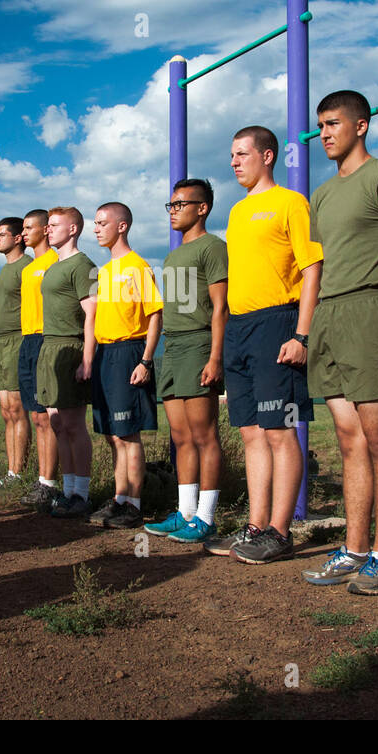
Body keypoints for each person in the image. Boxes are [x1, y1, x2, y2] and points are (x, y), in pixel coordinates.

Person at [301, 91, 378, 595]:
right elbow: (319, 267)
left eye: (333, 124)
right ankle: (353, 549)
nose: (325, 134)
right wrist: (308, 330)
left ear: (362, 125)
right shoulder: (323, 194)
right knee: (349, 440)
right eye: (320, 127)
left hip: (373, 311)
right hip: (331, 317)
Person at [204, 126, 322, 564]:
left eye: (242, 154)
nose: (234, 162)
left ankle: (280, 530)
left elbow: (313, 269)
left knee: (279, 430)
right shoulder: (236, 212)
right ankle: (256, 527)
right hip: (240, 327)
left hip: (279, 322)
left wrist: (301, 334)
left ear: (268, 156)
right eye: (231, 155)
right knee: (252, 432)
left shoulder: (292, 203)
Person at [144, 179, 228, 544]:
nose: (174, 210)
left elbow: (221, 308)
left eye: (181, 204)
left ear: (203, 208)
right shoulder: (172, 255)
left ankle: (206, 518)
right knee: (180, 437)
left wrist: (215, 357)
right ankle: (185, 512)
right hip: (173, 346)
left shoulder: (213, 247)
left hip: (198, 343)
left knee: (204, 435)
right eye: (171, 205)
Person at [84, 202, 162, 529]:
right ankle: (119, 498)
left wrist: (145, 360)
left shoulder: (138, 267)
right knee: (112, 436)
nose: (96, 229)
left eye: (102, 223)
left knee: (128, 434)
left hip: (130, 352)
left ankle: (134, 504)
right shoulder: (101, 272)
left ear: (122, 226)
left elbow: (155, 315)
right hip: (105, 355)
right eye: (95, 223)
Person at [35, 206, 96, 518]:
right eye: (48, 225)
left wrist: (86, 360)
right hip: (50, 347)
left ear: (73, 229)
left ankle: (81, 496)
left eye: (55, 225)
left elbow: (92, 314)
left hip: (72, 347)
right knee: (57, 424)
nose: (49, 229)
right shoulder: (53, 266)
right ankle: (68, 491)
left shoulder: (83, 264)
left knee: (73, 424)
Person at [15, 210, 62, 509]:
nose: (24, 233)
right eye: (22, 228)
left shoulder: (55, 263)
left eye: (29, 227)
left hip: (47, 338)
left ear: (46, 230)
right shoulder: (29, 267)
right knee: (36, 416)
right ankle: (42, 481)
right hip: (28, 339)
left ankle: (51, 483)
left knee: (48, 415)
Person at [0, 217, 32, 494]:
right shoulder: (5, 269)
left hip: (18, 339)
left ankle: (19, 475)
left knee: (17, 409)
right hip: (0, 342)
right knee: (5, 411)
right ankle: (10, 472)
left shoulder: (27, 267)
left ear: (17, 238)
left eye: (2, 234)